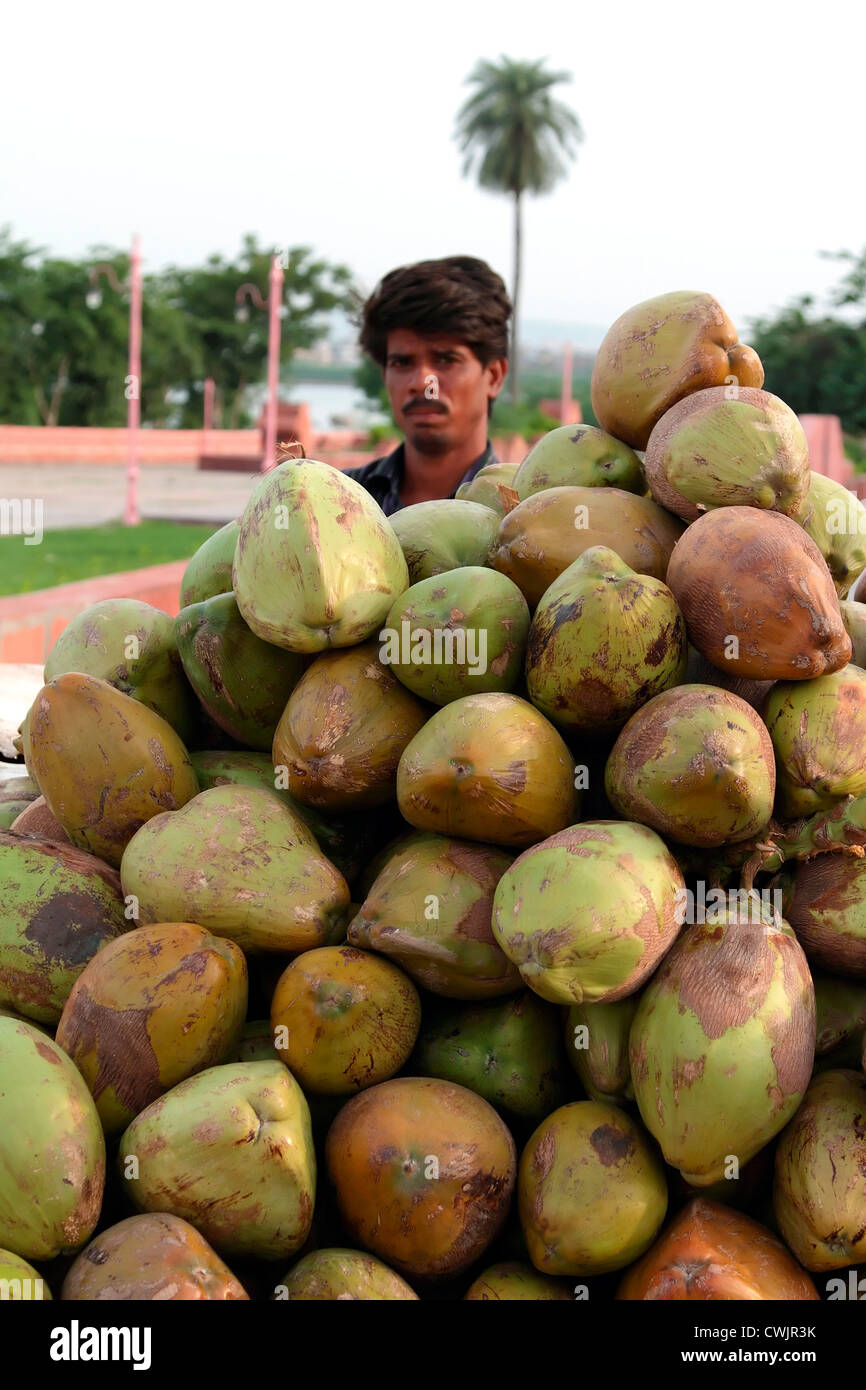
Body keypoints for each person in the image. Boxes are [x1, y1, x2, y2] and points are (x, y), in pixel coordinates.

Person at [343, 256, 511, 514]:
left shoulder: (522, 518)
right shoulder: (338, 503)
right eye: (402, 363)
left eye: (446, 360)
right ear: (385, 373)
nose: (422, 382)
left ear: (494, 376)